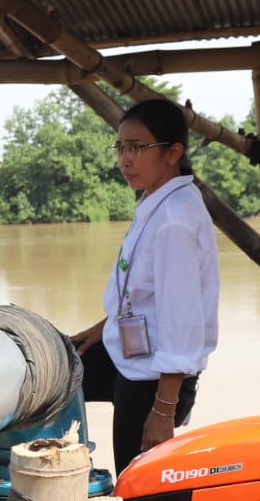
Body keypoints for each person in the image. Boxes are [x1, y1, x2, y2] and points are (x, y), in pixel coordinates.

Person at [70, 97, 219, 478]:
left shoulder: (175, 218)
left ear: (173, 153)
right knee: (49, 378)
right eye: (120, 147)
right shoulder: (157, 200)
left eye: (136, 148)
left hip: (155, 379)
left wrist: (163, 411)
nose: (125, 160)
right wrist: (104, 327)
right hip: (128, 353)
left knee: (136, 484)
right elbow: (142, 292)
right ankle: (38, 473)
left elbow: (181, 319)